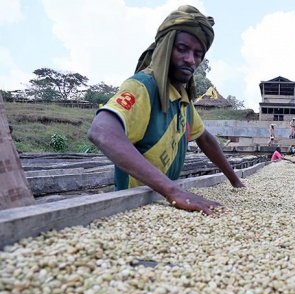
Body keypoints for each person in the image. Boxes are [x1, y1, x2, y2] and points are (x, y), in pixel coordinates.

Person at [87, 5, 244, 216]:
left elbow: (205, 139)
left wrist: (235, 181)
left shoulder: (182, 98)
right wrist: (172, 191)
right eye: (182, 49)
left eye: (198, 54)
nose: (191, 60)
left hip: (166, 201)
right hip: (135, 205)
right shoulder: (143, 86)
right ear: (165, 48)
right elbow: (101, 131)